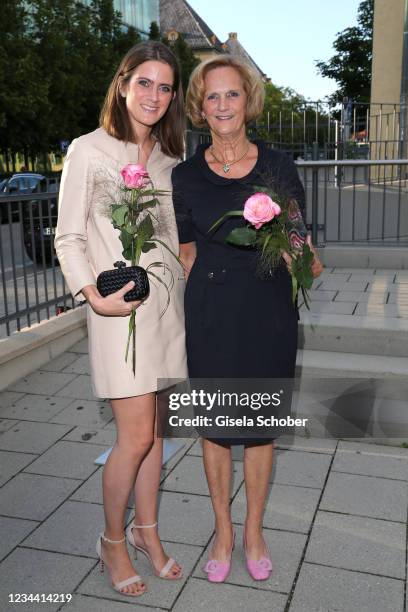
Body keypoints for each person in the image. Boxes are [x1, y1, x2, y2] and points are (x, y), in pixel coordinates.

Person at [172, 55, 323, 583]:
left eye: (231, 94)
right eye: (211, 96)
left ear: (248, 99)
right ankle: (223, 530)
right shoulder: (185, 176)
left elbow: (306, 250)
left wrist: (295, 249)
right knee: (214, 429)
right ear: (199, 106)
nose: (222, 105)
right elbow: (187, 253)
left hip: (268, 311)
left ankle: (254, 529)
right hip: (212, 312)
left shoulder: (278, 166)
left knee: (260, 430)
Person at [55, 41, 187, 597]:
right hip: (115, 313)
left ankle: (146, 531)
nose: (154, 95)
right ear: (123, 83)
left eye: (165, 87)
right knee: (133, 438)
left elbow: (177, 240)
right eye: (145, 82)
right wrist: (93, 297)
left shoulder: (170, 160)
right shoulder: (88, 150)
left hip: (165, 314)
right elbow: (70, 236)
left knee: (157, 435)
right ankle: (112, 539)